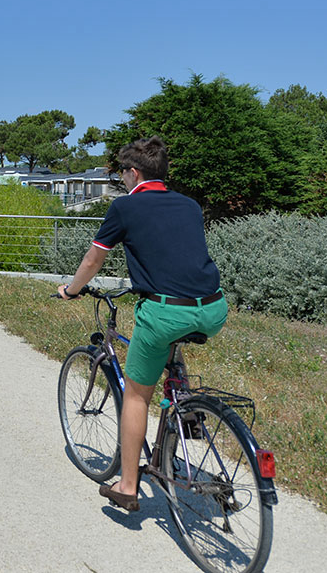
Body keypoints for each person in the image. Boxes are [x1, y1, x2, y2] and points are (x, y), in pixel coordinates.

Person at [56, 136, 227, 512]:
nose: (123, 181)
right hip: (213, 308)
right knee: (170, 356)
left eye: (123, 175)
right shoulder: (189, 205)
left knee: (136, 395)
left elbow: (93, 260)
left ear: (134, 173)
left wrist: (71, 290)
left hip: (166, 311)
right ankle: (186, 410)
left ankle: (128, 485)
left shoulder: (125, 207)